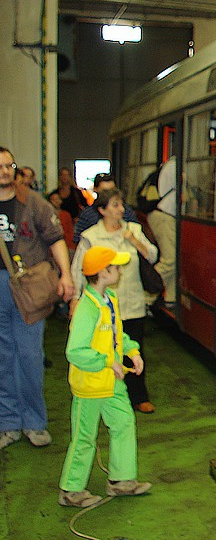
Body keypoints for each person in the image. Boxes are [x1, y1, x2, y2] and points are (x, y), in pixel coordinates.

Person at [59, 246, 151, 507]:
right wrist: (108, 362)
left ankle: (121, 481)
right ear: (102, 272)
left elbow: (115, 335)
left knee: (123, 423)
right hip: (90, 385)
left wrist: (131, 350)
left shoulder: (109, 299)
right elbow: (75, 351)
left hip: (112, 383)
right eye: (115, 267)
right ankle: (70, 490)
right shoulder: (87, 309)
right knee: (84, 438)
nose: (119, 271)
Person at [0, 146, 75, 450]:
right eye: (0, 166)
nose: (4, 171)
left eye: (8, 165)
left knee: (30, 355)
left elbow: (55, 240)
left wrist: (67, 276)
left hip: (28, 286)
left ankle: (34, 421)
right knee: (3, 357)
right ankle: (8, 422)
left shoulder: (33, 203)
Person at [72, 189, 158, 414]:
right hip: (103, 305)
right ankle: (107, 393)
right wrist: (74, 298)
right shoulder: (91, 236)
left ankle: (139, 396)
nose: (121, 210)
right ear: (102, 210)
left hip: (132, 301)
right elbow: (78, 269)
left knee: (134, 346)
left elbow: (152, 255)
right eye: (115, 205)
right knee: (105, 348)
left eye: (121, 205)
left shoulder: (134, 229)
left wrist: (134, 241)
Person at [73, 173, 138, 245]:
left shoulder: (126, 210)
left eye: (112, 190)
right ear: (95, 189)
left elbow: (137, 233)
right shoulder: (87, 214)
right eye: (105, 191)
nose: (110, 195)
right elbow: (78, 240)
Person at [146, 156, 177, 303]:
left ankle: (170, 298)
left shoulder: (169, 164)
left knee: (173, 259)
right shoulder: (175, 166)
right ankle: (143, 293)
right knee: (170, 260)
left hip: (162, 214)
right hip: (165, 216)